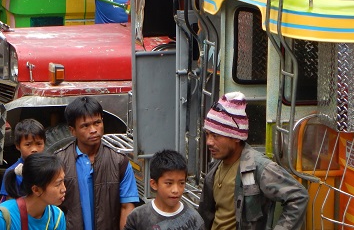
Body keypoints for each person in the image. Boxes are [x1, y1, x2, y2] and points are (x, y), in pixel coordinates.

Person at [198, 92, 308, 230]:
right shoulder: (216, 167)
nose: (209, 142)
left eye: (216, 136)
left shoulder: (258, 166)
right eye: (207, 134)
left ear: (236, 137)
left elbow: (298, 196)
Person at [56, 97, 139, 230]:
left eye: (97, 123)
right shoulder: (59, 162)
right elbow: (52, 208)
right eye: (85, 126)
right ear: (72, 130)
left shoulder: (119, 161)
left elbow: (127, 206)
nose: (93, 130)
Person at [0, 153, 66, 230]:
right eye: (58, 184)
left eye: (63, 181)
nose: (64, 189)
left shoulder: (57, 217)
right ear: (36, 190)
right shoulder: (0, 219)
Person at [124, 150, 203, 230]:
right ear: (154, 184)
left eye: (181, 183)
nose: (176, 190)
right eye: (169, 183)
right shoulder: (137, 217)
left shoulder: (194, 219)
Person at [0, 119, 47, 201]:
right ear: (18, 146)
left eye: (39, 144)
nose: (34, 149)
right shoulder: (12, 173)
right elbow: (10, 203)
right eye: (28, 144)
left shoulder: (49, 169)